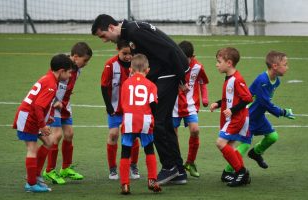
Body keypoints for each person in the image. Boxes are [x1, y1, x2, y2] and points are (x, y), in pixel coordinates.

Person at [92, 14, 190, 185]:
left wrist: (181, 78)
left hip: (171, 72)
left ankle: (169, 167)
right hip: (167, 72)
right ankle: (179, 170)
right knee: (165, 122)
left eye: (103, 36)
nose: (104, 40)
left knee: (157, 121)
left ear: (110, 27)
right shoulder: (130, 31)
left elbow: (169, 50)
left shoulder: (135, 32)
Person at [12, 54, 73, 192]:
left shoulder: (50, 78)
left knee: (49, 142)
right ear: (61, 71)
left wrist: (48, 117)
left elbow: (42, 104)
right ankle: (31, 184)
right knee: (32, 149)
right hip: (28, 118)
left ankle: (36, 176)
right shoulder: (51, 84)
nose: (70, 75)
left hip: (32, 117)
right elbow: (38, 106)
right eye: (69, 72)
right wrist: (43, 125)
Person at [42, 42, 92, 184]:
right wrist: (56, 100)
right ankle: (49, 171)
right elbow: (50, 84)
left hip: (65, 104)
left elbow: (67, 87)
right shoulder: (61, 66)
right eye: (85, 60)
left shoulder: (76, 69)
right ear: (75, 57)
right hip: (54, 103)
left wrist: (65, 99)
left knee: (69, 134)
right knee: (56, 136)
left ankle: (65, 168)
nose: (86, 63)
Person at [209, 47, 253, 187]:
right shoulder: (229, 78)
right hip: (233, 117)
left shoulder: (237, 79)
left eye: (219, 61)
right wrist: (218, 103)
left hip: (237, 118)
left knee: (220, 143)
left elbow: (247, 98)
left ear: (229, 63)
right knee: (230, 147)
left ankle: (241, 171)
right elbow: (231, 98)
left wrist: (232, 110)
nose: (216, 64)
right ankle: (241, 174)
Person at [119, 54, 161, 194]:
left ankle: (125, 184)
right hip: (145, 120)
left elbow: (123, 104)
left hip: (130, 120)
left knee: (125, 152)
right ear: (147, 70)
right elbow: (153, 104)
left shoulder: (126, 84)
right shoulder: (151, 85)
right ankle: (152, 180)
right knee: (149, 149)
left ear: (130, 69)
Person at [246, 50, 295, 169]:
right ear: (275, 66)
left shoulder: (276, 81)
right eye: (285, 64)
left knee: (272, 137)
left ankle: (255, 153)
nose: (287, 67)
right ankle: (228, 171)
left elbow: (265, 103)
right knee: (243, 146)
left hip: (259, 116)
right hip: (248, 116)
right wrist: (283, 112)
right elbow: (265, 103)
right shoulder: (263, 80)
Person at [100, 39, 140, 180]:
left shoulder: (136, 65)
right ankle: (112, 169)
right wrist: (109, 106)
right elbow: (104, 87)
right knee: (113, 134)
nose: (128, 56)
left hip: (132, 108)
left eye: (130, 53)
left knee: (133, 136)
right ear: (117, 49)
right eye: (125, 53)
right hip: (115, 108)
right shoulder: (110, 65)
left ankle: (133, 165)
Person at [172, 41, 209, 178]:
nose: (183, 61)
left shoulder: (198, 67)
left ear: (192, 56)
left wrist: (204, 97)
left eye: (186, 58)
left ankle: (190, 162)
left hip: (191, 105)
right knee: (173, 136)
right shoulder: (172, 65)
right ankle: (177, 164)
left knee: (195, 130)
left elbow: (203, 82)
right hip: (174, 106)